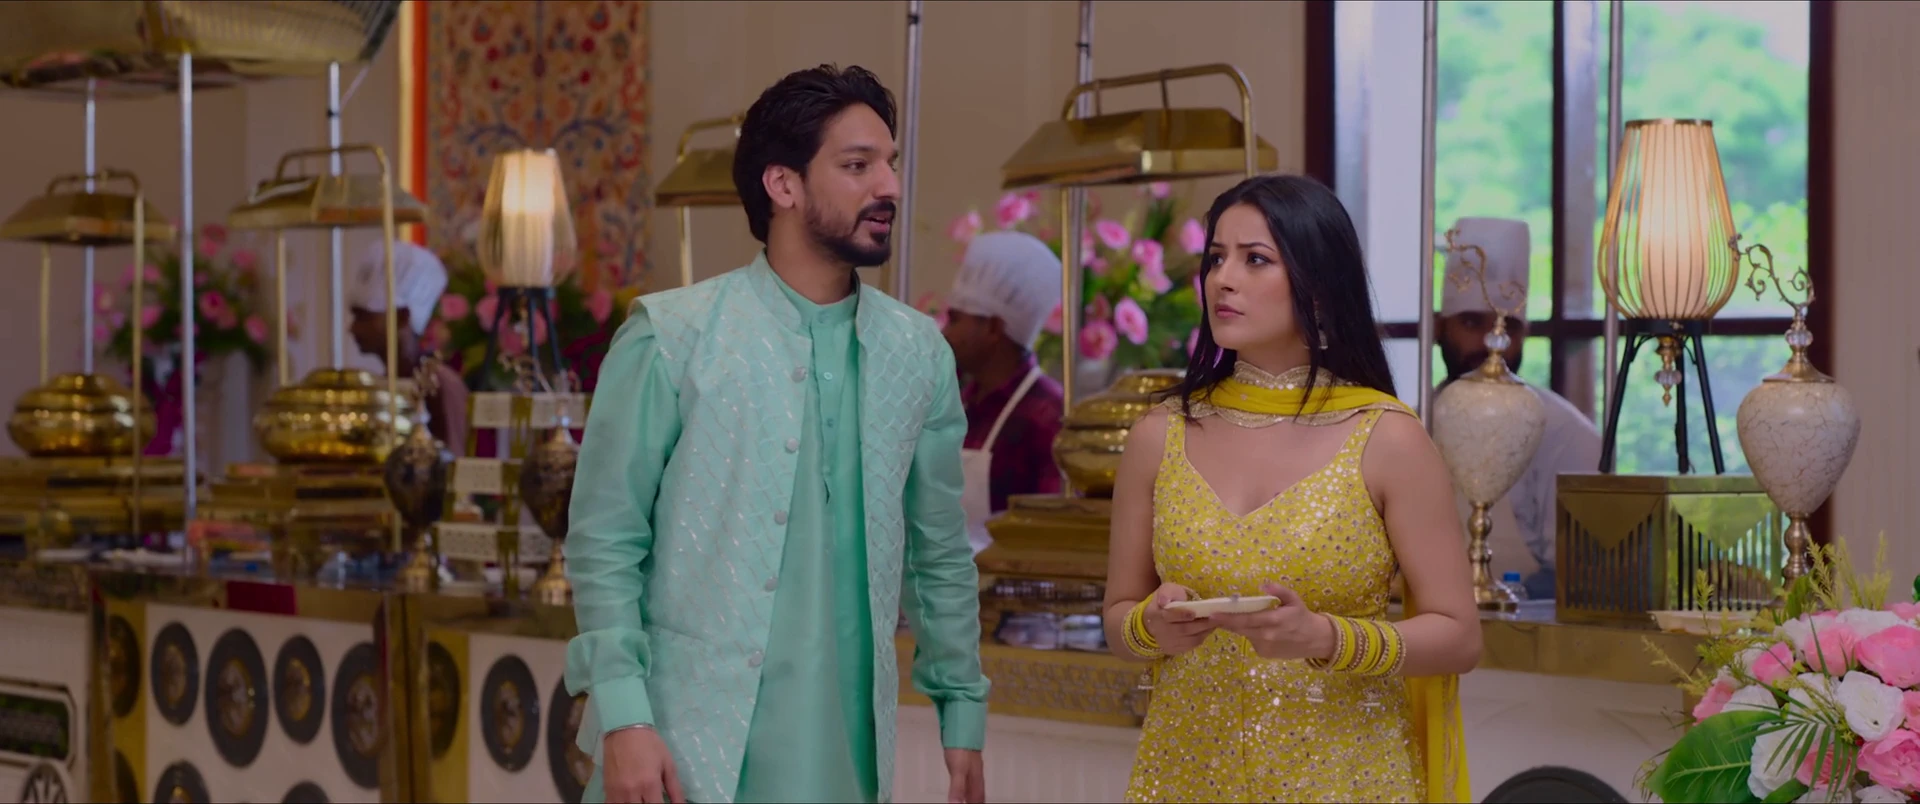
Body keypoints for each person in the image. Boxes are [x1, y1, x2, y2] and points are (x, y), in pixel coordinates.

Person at [563, 64, 989, 804]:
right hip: (685, 747)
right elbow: (605, 540)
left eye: (889, 163)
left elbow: (939, 554)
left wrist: (962, 708)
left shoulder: (918, 353)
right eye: (857, 165)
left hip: (846, 758)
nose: (888, 186)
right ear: (783, 184)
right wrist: (624, 716)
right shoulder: (673, 337)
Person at [1103, 174, 1480, 803]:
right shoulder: (1159, 435)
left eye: (1255, 260)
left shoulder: (1385, 438)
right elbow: (1119, 616)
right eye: (1215, 258)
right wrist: (1150, 628)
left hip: (1346, 780)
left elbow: (1459, 637)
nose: (1223, 279)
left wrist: (1329, 639)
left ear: (1320, 288)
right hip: (1185, 775)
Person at [1434, 217, 1603, 601]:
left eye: (1507, 327)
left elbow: (1583, 572)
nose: (1490, 342)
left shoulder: (1565, 432)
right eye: (1471, 323)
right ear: (1440, 328)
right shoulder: (1411, 423)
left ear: (1526, 335)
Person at [940, 231, 1066, 553]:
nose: (944, 332)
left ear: (994, 328)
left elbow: (1051, 540)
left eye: (955, 320)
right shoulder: (960, 401)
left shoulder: (1049, 417)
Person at [345, 239, 469, 450]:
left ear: (401, 317)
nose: (353, 328)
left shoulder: (438, 384)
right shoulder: (384, 382)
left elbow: (451, 461)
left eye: (363, 317)